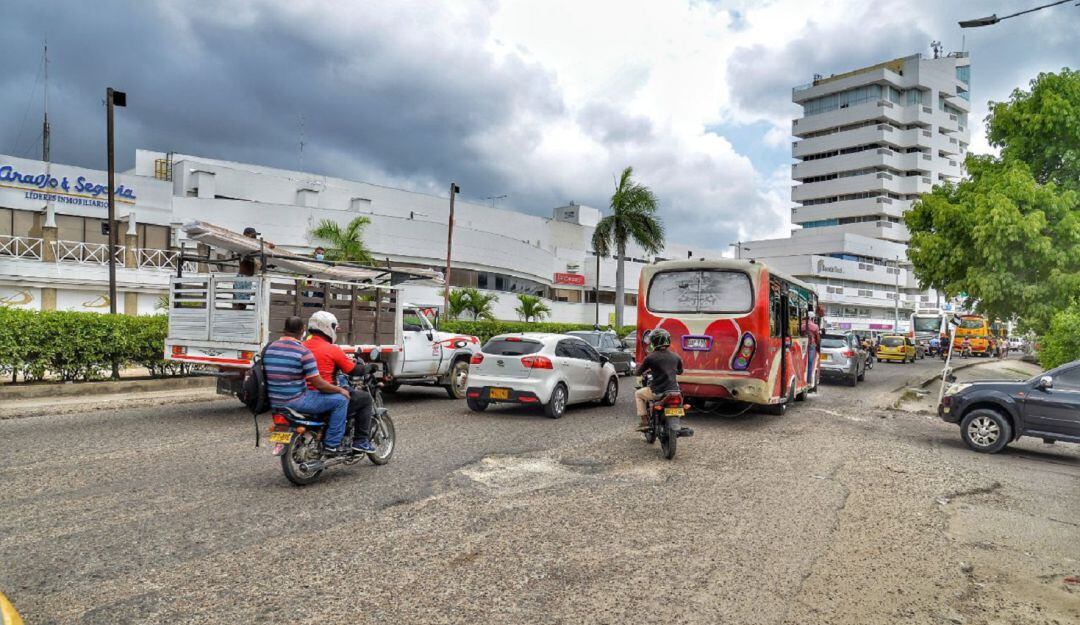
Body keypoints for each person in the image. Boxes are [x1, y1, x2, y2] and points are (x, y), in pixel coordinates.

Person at [265, 316, 351, 456]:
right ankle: (332, 445)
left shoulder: (269, 348)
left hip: (274, 402)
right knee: (341, 401)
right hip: (296, 401)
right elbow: (319, 384)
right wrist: (340, 389)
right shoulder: (303, 352)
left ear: (284, 330)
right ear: (302, 331)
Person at [303, 311, 376, 453]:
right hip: (324, 394)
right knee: (365, 399)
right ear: (327, 327)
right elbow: (352, 370)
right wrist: (368, 368)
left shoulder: (302, 346)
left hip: (304, 395)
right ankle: (360, 441)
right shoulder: (332, 349)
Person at [634, 328, 683, 432]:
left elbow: (638, 372)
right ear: (668, 341)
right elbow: (680, 371)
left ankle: (644, 421)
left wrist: (641, 371)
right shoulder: (676, 356)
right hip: (674, 391)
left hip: (657, 391)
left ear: (653, 342)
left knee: (638, 394)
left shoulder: (650, 358)